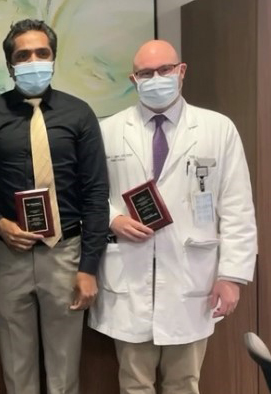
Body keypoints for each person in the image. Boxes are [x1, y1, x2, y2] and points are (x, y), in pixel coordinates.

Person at [88, 40, 257, 394]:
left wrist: (232, 276)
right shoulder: (109, 130)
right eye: (146, 73)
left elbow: (237, 206)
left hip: (190, 279)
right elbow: (88, 194)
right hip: (130, 276)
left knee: (184, 382)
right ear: (134, 79)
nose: (156, 78)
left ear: (181, 71)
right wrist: (112, 219)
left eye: (165, 69)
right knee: (134, 382)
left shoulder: (218, 128)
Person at [0, 19, 109, 394]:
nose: (33, 60)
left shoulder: (80, 115)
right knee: (17, 370)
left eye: (42, 53)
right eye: (23, 55)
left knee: (64, 373)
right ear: (10, 65)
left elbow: (95, 193)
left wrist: (89, 267)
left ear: (54, 58)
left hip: (66, 254)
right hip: (8, 255)